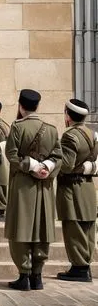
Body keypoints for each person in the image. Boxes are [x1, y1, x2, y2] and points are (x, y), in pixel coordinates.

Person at [4, 89, 62, 291]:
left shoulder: (17, 127)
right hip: (44, 187)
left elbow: (11, 155)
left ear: (21, 106)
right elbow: (59, 157)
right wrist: (46, 167)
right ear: (38, 106)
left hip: (23, 186)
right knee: (42, 230)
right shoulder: (52, 129)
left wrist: (31, 166)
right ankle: (37, 276)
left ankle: (24, 276)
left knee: (21, 229)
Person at [56, 98, 98, 282]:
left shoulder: (70, 135)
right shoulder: (91, 134)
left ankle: (79, 268)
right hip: (88, 187)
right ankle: (84, 265)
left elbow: (66, 165)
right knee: (87, 227)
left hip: (72, 188)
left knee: (74, 228)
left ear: (68, 114)